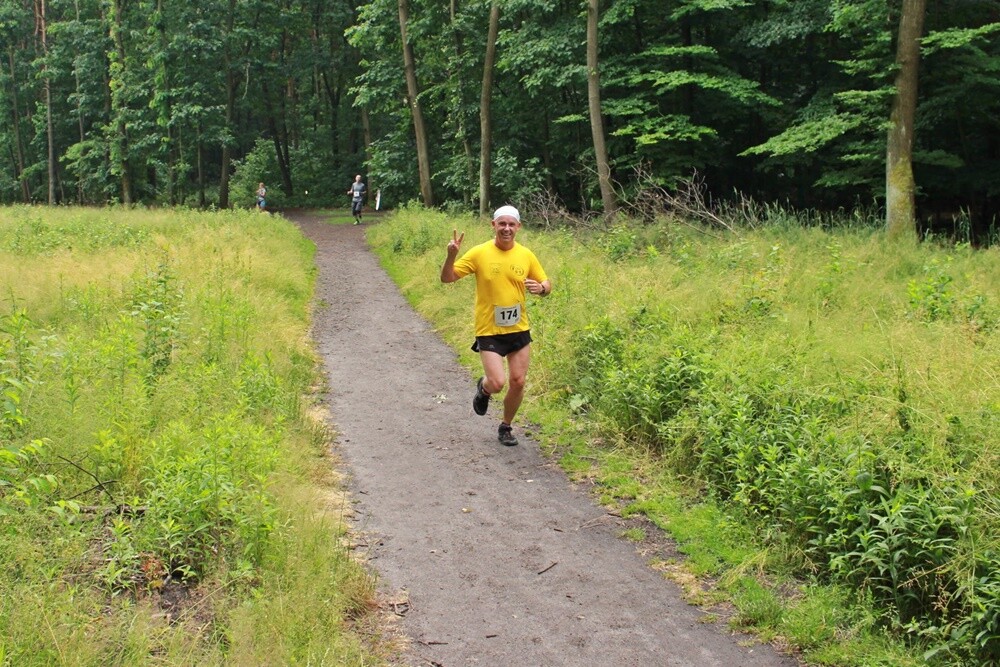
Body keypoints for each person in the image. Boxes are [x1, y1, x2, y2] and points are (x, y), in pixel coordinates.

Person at [440, 205, 551, 446]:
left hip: (518, 329)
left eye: (511, 224)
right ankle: (484, 388)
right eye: (502, 224)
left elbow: (546, 283)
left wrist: (541, 288)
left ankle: (506, 426)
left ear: (518, 227)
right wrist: (451, 255)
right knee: (498, 383)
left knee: (518, 381)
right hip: (489, 330)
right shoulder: (480, 253)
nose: (506, 229)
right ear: (493, 225)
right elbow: (447, 278)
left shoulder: (526, 255)